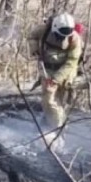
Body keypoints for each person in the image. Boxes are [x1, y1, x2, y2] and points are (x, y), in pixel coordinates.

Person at [27, 12, 83, 145]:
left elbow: (72, 61)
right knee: (49, 100)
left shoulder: (74, 39)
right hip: (47, 68)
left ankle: (57, 131)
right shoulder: (44, 30)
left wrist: (57, 78)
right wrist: (35, 49)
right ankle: (52, 128)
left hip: (65, 70)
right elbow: (32, 36)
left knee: (56, 102)